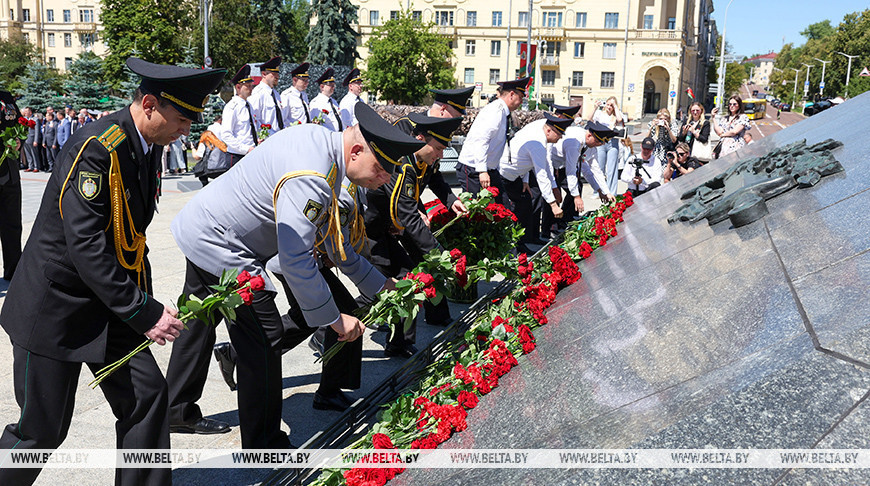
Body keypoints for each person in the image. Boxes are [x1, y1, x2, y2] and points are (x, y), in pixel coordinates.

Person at [0, 57, 225, 486]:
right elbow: (86, 245)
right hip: (56, 309)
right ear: (149, 105)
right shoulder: (97, 148)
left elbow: (130, 240)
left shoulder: (146, 146)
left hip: (108, 303)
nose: (186, 130)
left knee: (147, 398)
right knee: (40, 433)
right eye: (181, 119)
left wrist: (143, 306)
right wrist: (143, 312)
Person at [163, 102, 422, 447]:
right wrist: (334, 320)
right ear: (357, 150)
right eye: (381, 168)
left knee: (199, 321)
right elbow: (296, 258)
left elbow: (338, 249)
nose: (385, 179)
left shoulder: (323, 147)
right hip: (223, 242)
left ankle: (176, 409)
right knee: (264, 334)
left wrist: (383, 286)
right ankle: (264, 444)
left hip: (204, 226)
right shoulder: (314, 177)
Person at [364, 113, 464, 357]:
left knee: (408, 277)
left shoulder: (425, 158)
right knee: (377, 287)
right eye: (438, 148)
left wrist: (451, 200)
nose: (441, 155)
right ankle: (325, 331)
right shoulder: (403, 165)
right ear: (420, 139)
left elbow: (434, 181)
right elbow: (409, 217)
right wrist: (440, 255)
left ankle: (399, 343)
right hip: (370, 230)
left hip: (390, 226)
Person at [499, 113, 573, 254]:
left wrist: (526, 180)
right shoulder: (537, 143)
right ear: (549, 130)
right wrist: (553, 205)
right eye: (559, 134)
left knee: (525, 204)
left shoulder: (540, 133)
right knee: (509, 211)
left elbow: (539, 162)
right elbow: (541, 174)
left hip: (517, 175)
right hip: (504, 174)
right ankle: (511, 248)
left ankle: (524, 241)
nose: (560, 138)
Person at [456, 77, 529, 201]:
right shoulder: (495, 111)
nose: (521, 102)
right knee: (474, 208)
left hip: (488, 169)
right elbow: (481, 140)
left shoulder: (502, 111)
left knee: (501, 206)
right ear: (512, 95)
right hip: (474, 168)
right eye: (521, 97)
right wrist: (482, 171)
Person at [0, 90, 22, 282]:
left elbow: (19, 123)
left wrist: (19, 141)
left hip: (9, 173)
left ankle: (13, 270)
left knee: (12, 225)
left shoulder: (6, 97)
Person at [220, 65, 258, 166]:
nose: (251, 89)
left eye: (251, 86)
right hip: (237, 156)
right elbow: (226, 135)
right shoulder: (232, 107)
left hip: (251, 153)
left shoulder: (249, 105)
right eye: (248, 86)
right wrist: (245, 149)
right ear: (238, 87)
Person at [591, 96, 626, 196]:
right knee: (599, 167)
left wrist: (615, 107)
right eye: (608, 104)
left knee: (612, 169)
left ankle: (612, 192)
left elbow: (620, 119)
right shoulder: (599, 113)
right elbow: (589, 119)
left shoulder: (617, 114)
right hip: (601, 141)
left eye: (611, 105)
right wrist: (595, 107)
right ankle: (598, 191)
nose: (609, 107)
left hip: (612, 142)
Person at [250, 56, 287, 136]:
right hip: (267, 137)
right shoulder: (258, 93)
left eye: (277, 74)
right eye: (274, 74)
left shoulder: (276, 94)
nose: (277, 77)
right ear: (264, 74)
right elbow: (254, 119)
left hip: (280, 136)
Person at [191, 115, 229, 186]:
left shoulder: (206, 141)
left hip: (210, 169)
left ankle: (205, 185)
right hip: (224, 168)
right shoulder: (226, 142)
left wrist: (192, 148)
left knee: (199, 169)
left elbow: (197, 157)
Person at [309, 67, 343, 131]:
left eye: (333, 85)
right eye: (330, 85)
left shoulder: (334, 102)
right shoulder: (316, 103)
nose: (333, 87)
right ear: (322, 87)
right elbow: (315, 125)